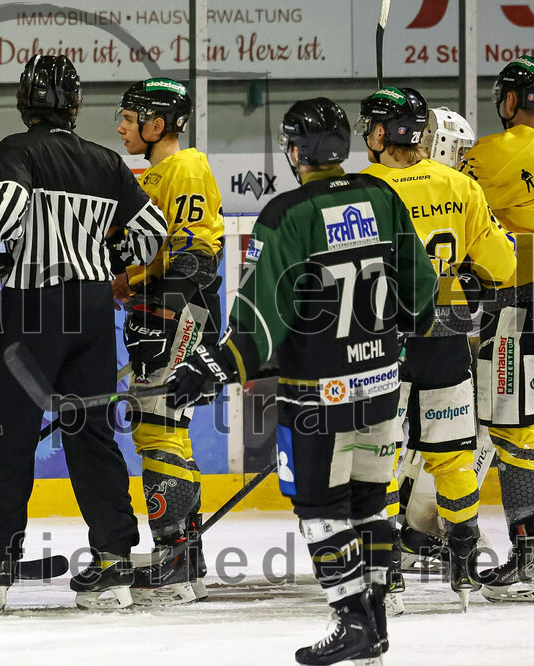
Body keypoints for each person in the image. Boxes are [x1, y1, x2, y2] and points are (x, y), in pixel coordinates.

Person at [167, 97, 437, 664]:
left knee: (320, 507)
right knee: (370, 503)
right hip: (381, 387)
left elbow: (260, 321)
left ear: (298, 151)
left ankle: (352, 620)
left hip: (319, 396)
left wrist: (207, 367)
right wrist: (399, 332)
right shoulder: (382, 195)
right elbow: (420, 291)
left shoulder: (287, 213)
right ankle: (375, 626)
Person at [0, 55, 169, 612]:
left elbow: (5, 215)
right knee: (93, 436)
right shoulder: (106, 161)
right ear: (76, 105)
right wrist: (109, 257)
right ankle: (113, 560)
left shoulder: (16, 149)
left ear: (24, 102)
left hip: (34, 310)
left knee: (9, 437)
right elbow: (152, 231)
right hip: (91, 310)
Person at [355, 86, 515, 612]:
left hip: (383, 344)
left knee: (377, 459)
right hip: (445, 341)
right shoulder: (460, 185)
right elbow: (502, 264)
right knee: (453, 458)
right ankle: (465, 566)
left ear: (380, 133)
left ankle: (386, 577)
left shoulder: (360, 190)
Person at [112, 78, 224, 605]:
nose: (120, 127)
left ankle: (174, 562)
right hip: (162, 308)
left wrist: (163, 311)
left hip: (176, 311)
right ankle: (184, 557)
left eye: (129, 118)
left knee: (157, 431)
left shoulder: (186, 167)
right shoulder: (158, 174)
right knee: (166, 432)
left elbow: (197, 256)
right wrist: (132, 281)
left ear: (157, 125)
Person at [460, 55, 534, 602]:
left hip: (519, 302)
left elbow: (450, 204)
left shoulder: (493, 153)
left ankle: (530, 558)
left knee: (515, 432)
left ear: (510, 101)